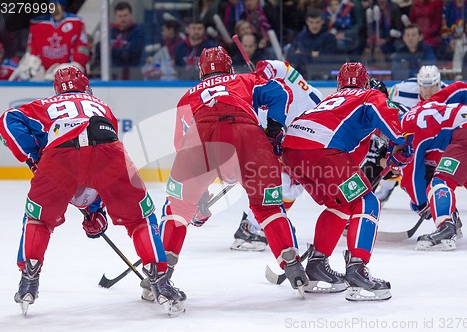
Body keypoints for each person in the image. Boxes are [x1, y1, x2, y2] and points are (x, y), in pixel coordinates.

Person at [0, 66, 185, 316]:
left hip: (60, 155)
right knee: (140, 218)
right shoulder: (101, 106)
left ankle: (29, 278)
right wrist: (95, 210)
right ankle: (160, 282)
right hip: (106, 148)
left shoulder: (45, 105)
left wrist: (33, 157)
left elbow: (6, 121)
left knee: (38, 218)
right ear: (86, 86)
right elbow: (96, 163)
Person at [156, 47, 309, 297]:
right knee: (268, 207)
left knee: (177, 208)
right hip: (247, 137)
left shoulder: (187, 97)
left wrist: (198, 193)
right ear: (229, 67)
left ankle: (160, 276)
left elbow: (181, 144)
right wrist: (274, 130)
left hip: (202, 139)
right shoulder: (245, 79)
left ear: (201, 71)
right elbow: (279, 92)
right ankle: (292, 266)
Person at [282, 62, 414, 301]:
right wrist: (400, 142)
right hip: (323, 151)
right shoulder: (368, 95)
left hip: (292, 151)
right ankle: (357, 269)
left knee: (341, 204)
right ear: (365, 82)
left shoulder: (329, 102)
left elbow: (348, 158)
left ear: (339, 83)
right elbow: (384, 111)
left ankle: (317, 266)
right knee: (367, 202)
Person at [229, 59, 323, 251]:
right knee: (281, 182)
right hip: (257, 139)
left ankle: (261, 222)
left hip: (283, 141)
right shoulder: (266, 92)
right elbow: (273, 65)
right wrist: (261, 76)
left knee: (292, 187)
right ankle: (252, 227)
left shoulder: (310, 99)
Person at [400, 81, 467, 250]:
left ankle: (446, 226)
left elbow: (411, 176)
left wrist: (422, 204)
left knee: (440, 182)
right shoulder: (423, 108)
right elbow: (459, 88)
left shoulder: (405, 132)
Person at [377, 65, 446, 203]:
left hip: (434, 138)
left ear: (438, 84)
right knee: (394, 154)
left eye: (432, 87)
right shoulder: (404, 89)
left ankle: (432, 192)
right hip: (410, 134)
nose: (428, 91)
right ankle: (387, 186)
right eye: (424, 86)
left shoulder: (449, 94)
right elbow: (389, 106)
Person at [9, 0, 89, 81]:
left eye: (57, 4)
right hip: (47, 76)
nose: (54, 8)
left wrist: (73, 66)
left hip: (73, 79)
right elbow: (33, 49)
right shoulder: (38, 24)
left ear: (63, 5)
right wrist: (30, 61)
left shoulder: (76, 22)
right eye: (51, 4)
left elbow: (81, 49)